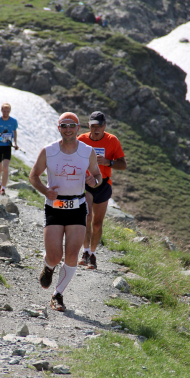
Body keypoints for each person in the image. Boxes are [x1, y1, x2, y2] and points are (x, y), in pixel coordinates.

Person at [29, 112, 102, 312]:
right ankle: (49, 266)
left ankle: (57, 294)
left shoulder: (87, 151)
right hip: (55, 207)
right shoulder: (49, 151)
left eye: (72, 125)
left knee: (72, 254)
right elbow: (33, 175)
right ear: (58, 128)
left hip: (77, 207)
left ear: (78, 128)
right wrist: (45, 191)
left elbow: (98, 176)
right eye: (64, 125)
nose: (68, 129)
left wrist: (93, 181)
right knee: (54, 255)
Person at [77, 111, 127, 269]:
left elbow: (123, 165)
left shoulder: (112, 140)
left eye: (99, 126)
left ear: (104, 126)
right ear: (89, 126)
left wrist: (108, 162)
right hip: (85, 184)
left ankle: (93, 254)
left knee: (97, 224)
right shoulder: (82, 140)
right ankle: (85, 252)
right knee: (86, 216)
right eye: (93, 126)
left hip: (103, 185)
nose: (96, 129)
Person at [0, 103, 19, 196]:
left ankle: (3, 188)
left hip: (7, 147)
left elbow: (14, 131)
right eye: (4, 111)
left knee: (5, 168)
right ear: (1, 111)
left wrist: (15, 143)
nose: (6, 113)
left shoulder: (13, 121)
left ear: (9, 111)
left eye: (7, 111)